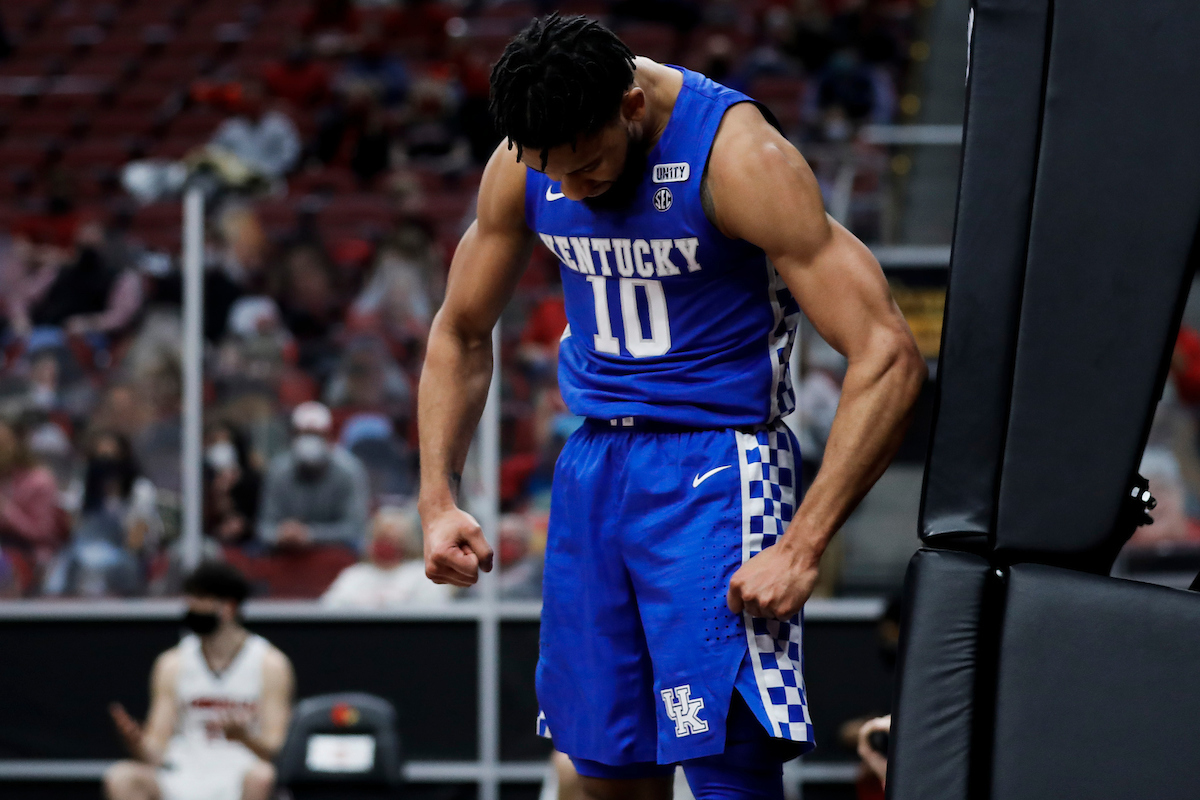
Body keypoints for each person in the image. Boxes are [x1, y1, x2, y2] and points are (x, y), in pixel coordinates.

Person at [418, 14, 925, 800]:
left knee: (728, 764)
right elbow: (458, 332)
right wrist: (437, 499)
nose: (574, 187)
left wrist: (801, 545)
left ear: (628, 106)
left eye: (588, 166)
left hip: (718, 464)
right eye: (556, 173)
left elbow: (889, 354)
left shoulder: (740, 156)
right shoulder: (524, 162)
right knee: (604, 768)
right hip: (593, 468)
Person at [103, 561, 294, 800]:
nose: (190, 607)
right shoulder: (172, 663)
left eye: (198, 600)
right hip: (182, 774)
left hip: (240, 773)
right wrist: (136, 742)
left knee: (263, 776)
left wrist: (243, 737)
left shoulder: (270, 664)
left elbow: (277, 748)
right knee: (122, 777)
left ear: (228, 608)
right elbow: (156, 751)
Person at [257, 401, 370, 549]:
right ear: (293, 436)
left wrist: (310, 534)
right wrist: (282, 533)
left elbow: (355, 527)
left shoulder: (350, 470)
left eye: (317, 435)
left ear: (329, 436)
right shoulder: (278, 470)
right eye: (303, 434)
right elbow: (264, 527)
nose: (310, 441)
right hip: (286, 549)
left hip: (335, 549)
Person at [321, 506, 453, 607]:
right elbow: (329, 609)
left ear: (405, 542)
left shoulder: (424, 576)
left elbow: (433, 614)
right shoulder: (354, 575)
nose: (386, 544)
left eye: (392, 539)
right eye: (381, 538)